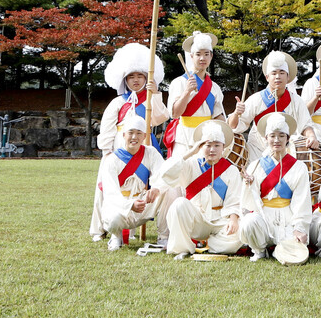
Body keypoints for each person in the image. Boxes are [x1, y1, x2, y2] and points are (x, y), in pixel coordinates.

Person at [92, 43, 169, 241]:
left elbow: (161, 118)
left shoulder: (151, 100)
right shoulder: (118, 102)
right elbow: (107, 128)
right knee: (107, 187)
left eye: (140, 76)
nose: (136, 81)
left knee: (140, 186)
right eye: (131, 77)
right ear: (125, 80)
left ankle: (132, 226)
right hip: (118, 149)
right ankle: (100, 228)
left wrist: (157, 94)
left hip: (145, 147)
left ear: (146, 78)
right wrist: (107, 152)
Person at [158, 120, 244, 260]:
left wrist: (234, 220)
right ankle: (183, 248)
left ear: (223, 147)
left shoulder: (231, 170)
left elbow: (235, 199)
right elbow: (166, 173)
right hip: (197, 219)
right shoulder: (190, 164)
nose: (212, 149)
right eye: (208, 145)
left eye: (217, 145)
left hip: (220, 221)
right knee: (178, 204)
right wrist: (189, 153)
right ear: (200, 146)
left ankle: (205, 245)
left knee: (241, 232)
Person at [239, 112, 312, 263]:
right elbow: (249, 203)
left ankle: (281, 245)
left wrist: (299, 227)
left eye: (281, 136)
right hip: (264, 216)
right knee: (248, 221)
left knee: (293, 252)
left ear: (288, 139)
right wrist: (249, 185)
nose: (276, 140)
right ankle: (259, 251)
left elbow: (302, 201)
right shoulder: (256, 165)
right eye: (272, 136)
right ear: (266, 139)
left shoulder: (299, 167)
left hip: (288, 218)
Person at [97, 114, 172, 252]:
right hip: (120, 207)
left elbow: (164, 175)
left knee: (170, 191)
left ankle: (163, 237)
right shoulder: (111, 160)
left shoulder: (151, 153)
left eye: (138, 133)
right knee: (113, 218)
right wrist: (130, 204)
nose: (134, 137)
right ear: (123, 135)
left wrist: (156, 188)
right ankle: (116, 236)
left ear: (144, 136)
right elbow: (110, 193)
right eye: (130, 133)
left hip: (142, 204)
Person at [228, 51, 314, 165]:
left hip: (287, 152)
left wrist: (312, 136)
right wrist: (235, 113)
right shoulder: (256, 99)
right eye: (274, 73)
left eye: (282, 72)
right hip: (257, 152)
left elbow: (306, 125)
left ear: (288, 77)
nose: (278, 76)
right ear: (267, 77)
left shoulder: (296, 101)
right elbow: (234, 127)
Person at [166, 32, 226, 159]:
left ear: (211, 56)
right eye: (198, 54)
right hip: (184, 139)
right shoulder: (179, 83)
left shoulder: (215, 87)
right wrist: (187, 92)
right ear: (192, 56)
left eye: (206, 54)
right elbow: (175, 114)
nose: (202, 58)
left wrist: (229, 128)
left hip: (207, 140)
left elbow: (218, 116)